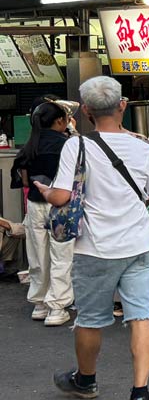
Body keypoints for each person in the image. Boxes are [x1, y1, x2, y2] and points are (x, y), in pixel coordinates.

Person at [41, 76, 149, 400]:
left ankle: (86, 380)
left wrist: (44, 192)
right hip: (140, 245)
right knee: (141, 316)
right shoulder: (144, 148)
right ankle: (140, 393)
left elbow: (63, 195)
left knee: (91, 319)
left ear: (85, 111)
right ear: (123, 106)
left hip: (95, 248)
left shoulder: (76, 146)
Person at [17, 101, 72, 325]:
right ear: (60, 121)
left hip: (34, 204)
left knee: (38, 255)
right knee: (61, 255)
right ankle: (57, 307)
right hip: (60, 205)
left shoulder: (30, 144)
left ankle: (39, 304)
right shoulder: (67, 144)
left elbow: (23, 178)